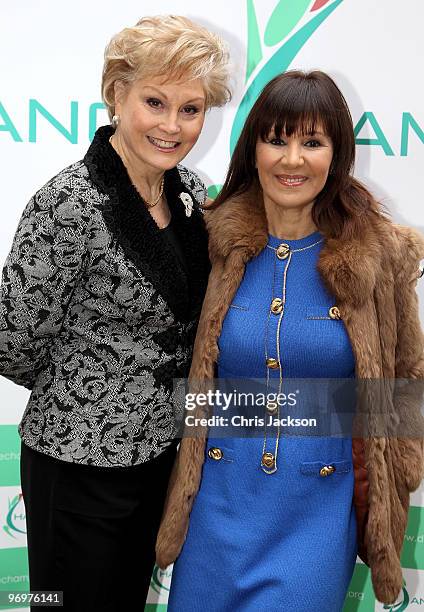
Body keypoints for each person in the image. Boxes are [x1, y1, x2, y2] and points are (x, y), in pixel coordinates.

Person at [155, 70, 424, 610]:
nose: (292, 159)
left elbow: (405, 378)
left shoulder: (381, 256)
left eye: (312, 142)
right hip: (215, 515)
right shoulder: (211, 244)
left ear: (338, 153)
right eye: (276, 139)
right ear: (253, 147)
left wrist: (400, 470)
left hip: (317, 519)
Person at [0, 15, 230, 612]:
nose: (172, 126)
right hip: (76, 461)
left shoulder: (191, 194)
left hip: (158, 455)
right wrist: (91, 385)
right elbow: (11, 341)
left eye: (191, 109)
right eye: (155, 102)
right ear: (116, 94)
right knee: (63, 604)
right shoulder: (68, 201)